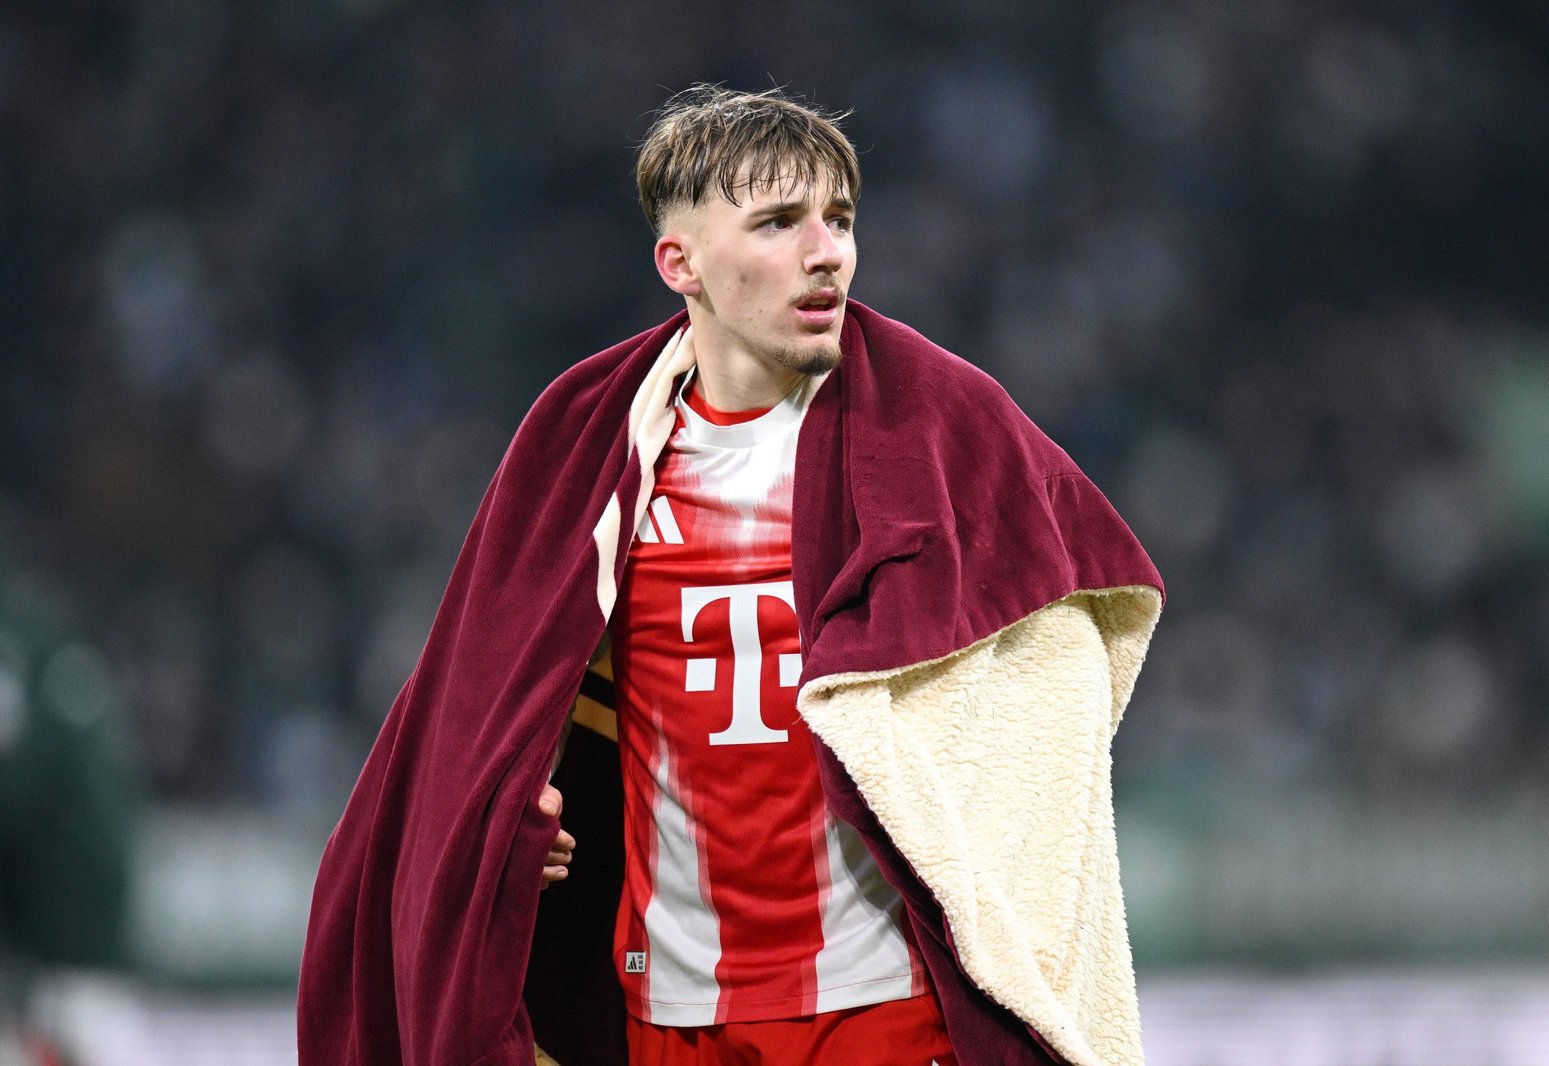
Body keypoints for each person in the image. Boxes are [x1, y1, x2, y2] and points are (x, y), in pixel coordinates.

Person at [299, 86, 1163, 1066]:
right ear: (681, 264)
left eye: (840, 218)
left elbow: (1063, 644)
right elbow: (481, 703)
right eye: (779, 222)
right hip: (671, 1009)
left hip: (881, 1002)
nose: (826, 252)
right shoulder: (589, 441)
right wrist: (507, 816)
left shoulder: (936, 427)